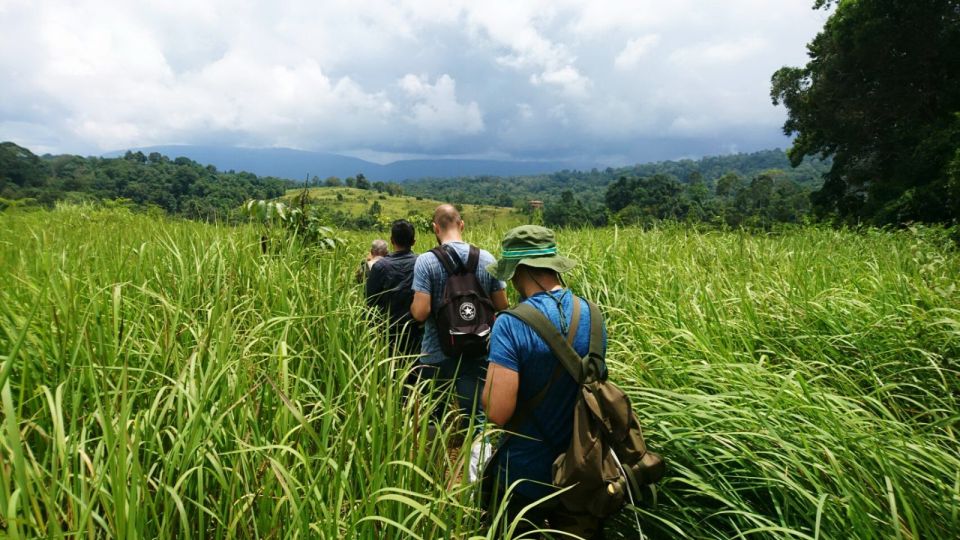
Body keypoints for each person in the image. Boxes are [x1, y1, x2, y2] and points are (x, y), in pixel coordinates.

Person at [481, 225, 607, 539]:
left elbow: (498, 412)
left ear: (518, 270)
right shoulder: (593, 314)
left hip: (524, 474)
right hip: (583, 467)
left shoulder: (510, 324)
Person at [410, 204, 509, 421]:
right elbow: (503, 306)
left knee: (434, 415)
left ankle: (436, 453)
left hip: (436, 353)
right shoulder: (487, 258)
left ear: (435, 228)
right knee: (475, 417)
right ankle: (477, 454)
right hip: (477, 348)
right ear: (461, 225)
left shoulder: (426, 261)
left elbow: (420, 313)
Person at [365, 220, 422, 355]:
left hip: (387, 332)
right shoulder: (422, 262)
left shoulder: (380, 266)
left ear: (391, 240)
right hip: (416, 331)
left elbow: (369, 300)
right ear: (413, 241)